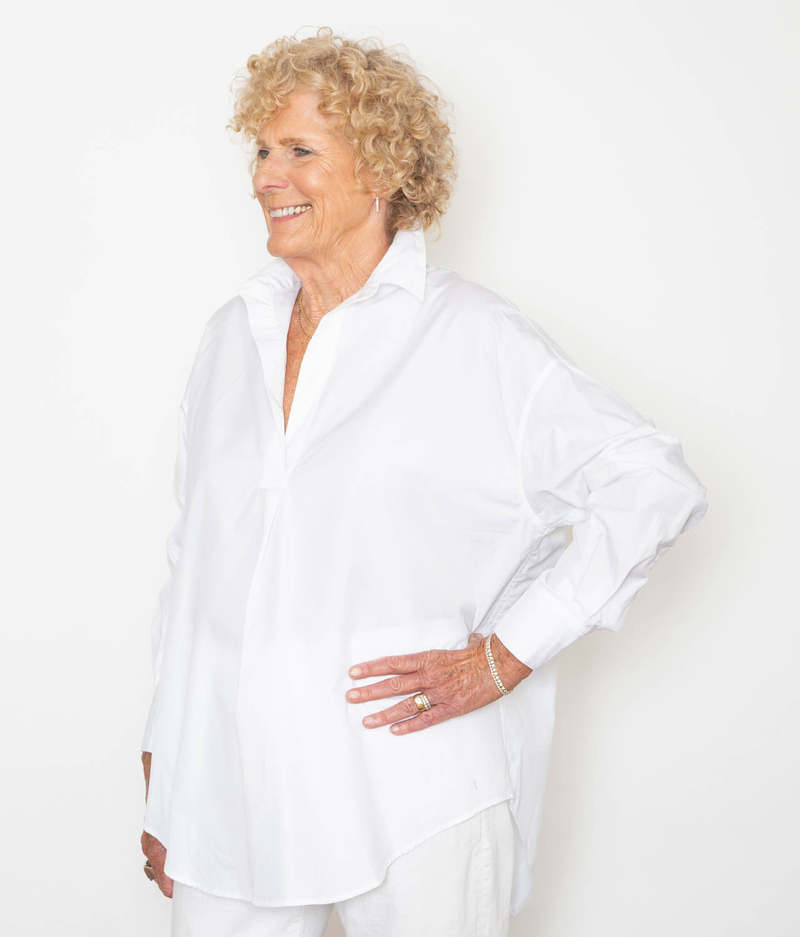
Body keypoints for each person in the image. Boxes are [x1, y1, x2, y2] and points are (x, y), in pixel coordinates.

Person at [139, 26, 709, 937]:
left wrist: (508, 651)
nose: (265, 178)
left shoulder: (473, 339)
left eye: (299, 151)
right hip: (227, 787)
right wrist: (166, 756)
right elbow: (194, 564)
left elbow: (651, 482)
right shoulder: (230, 337)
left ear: (380, 168)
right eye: (261, 151)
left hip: (414, 790)